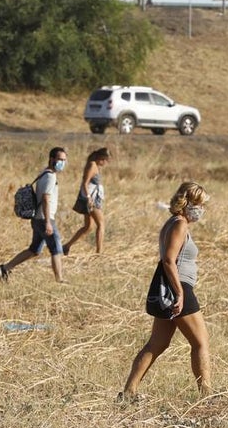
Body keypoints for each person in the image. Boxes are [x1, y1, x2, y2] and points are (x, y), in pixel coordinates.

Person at [120, 182, 212, 401]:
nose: (201, 209)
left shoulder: (173, 222)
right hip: (179, 287)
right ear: (188, 203)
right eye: (199, 204)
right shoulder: (179, 224)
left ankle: (128, 392)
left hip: (173, 286)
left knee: (157, 343)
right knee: (201, 343)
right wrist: (180, 292)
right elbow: (169, 260)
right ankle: (206, 393)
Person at [0, 147, 68, 283]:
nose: (62, 163)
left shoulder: (45, 173)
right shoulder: (50, 176)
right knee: (56, 248)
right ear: (52, 159)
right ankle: (59, 279)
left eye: (64, 160)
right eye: (60, 159)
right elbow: (46, 198)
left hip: (38, 219)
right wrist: (48, 221)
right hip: (44, 219)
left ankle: (5, 268)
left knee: (34, 250)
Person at [63, 147, 111, 256]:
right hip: (91, 199)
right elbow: (85, 183)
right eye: (106, 160)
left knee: (88, 227)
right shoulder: (92, 165)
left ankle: (66, 246)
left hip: (92, 198)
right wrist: (89, 198)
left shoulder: (94, 165)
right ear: (101, 158)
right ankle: (99, 253)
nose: (106, 163)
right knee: (101, 224)